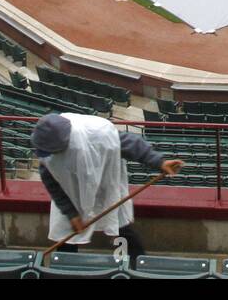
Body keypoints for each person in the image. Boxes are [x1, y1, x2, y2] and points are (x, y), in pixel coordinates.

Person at [31, 112, 183, 264]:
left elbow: (130, 143)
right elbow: (52, 183)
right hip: (70, 188)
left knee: (118, 226)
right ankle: (63, 267)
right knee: (68, 232)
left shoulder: (98, 135)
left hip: (104, 181)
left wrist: (159, 162)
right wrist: (71, 213)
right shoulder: (46, 149)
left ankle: (131, 264)